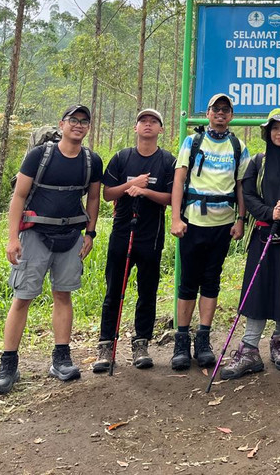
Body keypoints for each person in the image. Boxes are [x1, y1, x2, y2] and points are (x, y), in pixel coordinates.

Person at [0, 105, 102, 394]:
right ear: (61, 124)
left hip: (71, 236)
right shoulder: (39, 156)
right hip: (35, 235)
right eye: (73, 120)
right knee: (23, 297)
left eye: (84, 121)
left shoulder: (92, 161)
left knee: (63, 294)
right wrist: (12, 238)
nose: (78, 125)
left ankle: (61, 358)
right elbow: (19, 196)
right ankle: (8, 365)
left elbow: (93, 198)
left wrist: (90, 233)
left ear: (88, 128)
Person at [220, 109, 280, 380]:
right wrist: (268, 212)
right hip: (264, 234)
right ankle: (249, 349)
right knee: (258, 291)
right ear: (267, 133)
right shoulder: (257, 161)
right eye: (275, 128)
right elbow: (248, 194)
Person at [170, 93, 249, 370]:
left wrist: (241, 219)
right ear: (208, 113)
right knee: (188, 282)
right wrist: (175, 218)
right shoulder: (192, 142)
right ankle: (181, 340)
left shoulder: (238, 146)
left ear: (231, 115)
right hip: (192, 223)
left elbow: (241, 185)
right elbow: (179, 180)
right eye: (216, 109)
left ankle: (203, 339)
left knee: (211, 281)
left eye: (226, 110)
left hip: (223, 224)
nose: (220, 113)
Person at [93, 109, 176, 373]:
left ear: (161, 129)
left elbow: (172, 198)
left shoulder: (167, 161)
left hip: (152, 235)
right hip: (122, 233)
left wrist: (145, 190)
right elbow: (107, 194)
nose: (148, 125)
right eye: (143, 121)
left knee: (147, 292)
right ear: (135, 127)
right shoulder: (121, 157)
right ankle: (106, 345)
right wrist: (132, 186)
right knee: (114, 290)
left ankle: (141, 343)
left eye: (153, 122)